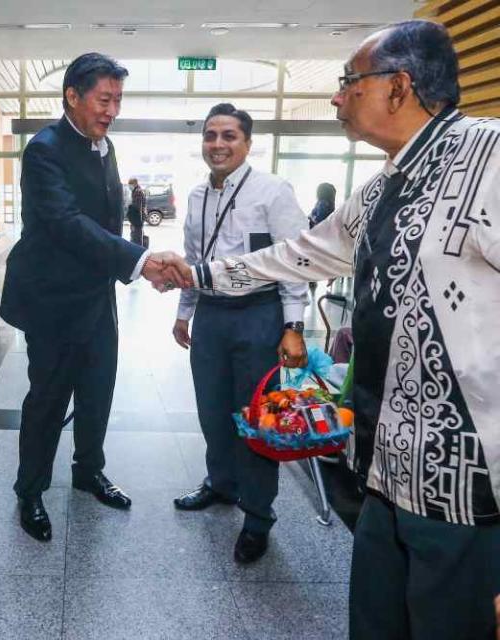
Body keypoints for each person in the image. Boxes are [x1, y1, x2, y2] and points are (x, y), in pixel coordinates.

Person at [162, 20, 500, 639]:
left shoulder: (490, 159)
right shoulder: (378, 189)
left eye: (349, 83)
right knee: (373, 622)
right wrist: (199, 274)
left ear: (398, 87)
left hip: (466, 483)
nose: (337, 98)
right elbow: (293, 257)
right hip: (379, 465)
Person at [0, 52, 183, 542]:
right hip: (53, 300)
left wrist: (133, 265)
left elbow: (106, 221)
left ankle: (87, 472)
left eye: (118, 100)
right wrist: (141, 262)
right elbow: (65, 223)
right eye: (104, 99)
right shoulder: (45, 149)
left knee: (98, 389)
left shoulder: (106, 146)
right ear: (72, 97)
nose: (111, 110)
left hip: (97, 296)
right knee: (49, 397)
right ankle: (30, 489)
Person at [171, 103, 309, 564]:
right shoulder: (196, 196)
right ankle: (221, 485)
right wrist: (184, 312)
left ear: (247, 143)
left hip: (258, 315)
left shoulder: (273, 192)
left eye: (229, 136)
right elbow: (195, 260)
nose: (218, 144)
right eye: (211, 135)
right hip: (211, 315)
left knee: (254, 419)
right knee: (212, 410)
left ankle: (257, 516)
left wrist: (293, 326)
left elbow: (294, 262)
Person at [126, 177, 145, 245]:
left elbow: (137, 207)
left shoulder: (137, 192)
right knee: (137, 234)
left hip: (137, 218)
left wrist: (129, 207)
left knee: (136, 236)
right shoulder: (136, 191)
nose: (129, 186)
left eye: (130, 184)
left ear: (134, 184)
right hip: (138, 218)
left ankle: (137, 249)